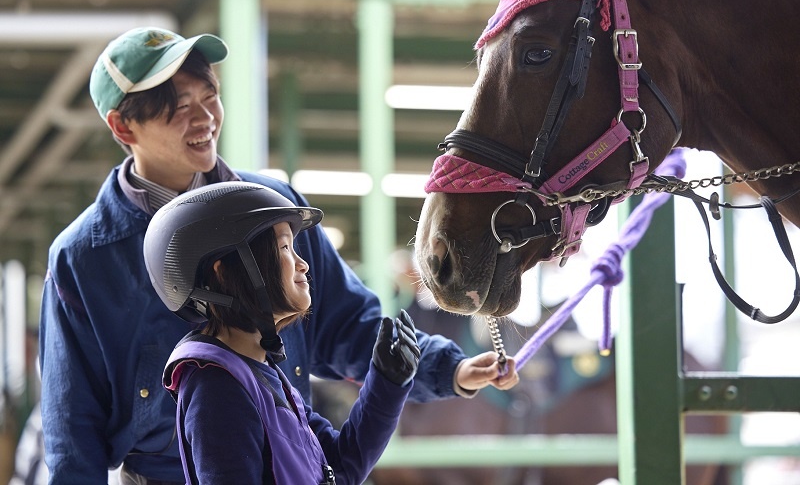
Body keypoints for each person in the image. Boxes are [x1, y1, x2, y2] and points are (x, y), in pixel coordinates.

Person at [39, 26, 519, 484]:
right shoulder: (83, 259)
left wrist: (445, 368)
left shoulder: (272, 207)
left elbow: (346, 324)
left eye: (209, 98)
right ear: (123, 126)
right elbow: (71, 433)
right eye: (177, 108)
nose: (204, 118)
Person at [144, 181, 419, 484]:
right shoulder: (216, 387)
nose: (303, 265)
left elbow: (340, 466)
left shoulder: (262, 373)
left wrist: (388, 383)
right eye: (285, 247)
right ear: (223, 272)